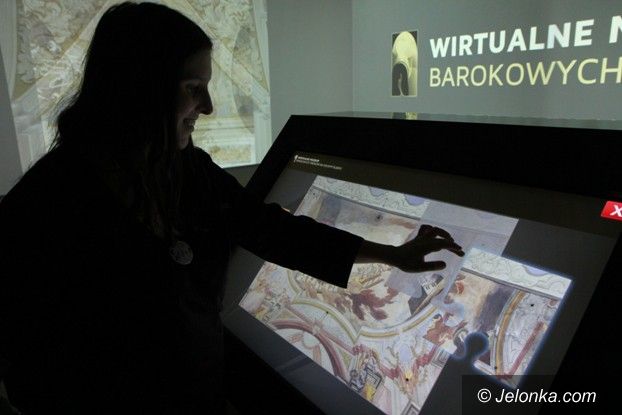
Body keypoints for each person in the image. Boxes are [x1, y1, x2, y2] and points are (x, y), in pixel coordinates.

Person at [0, 2, 463, 414]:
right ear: (140, 88)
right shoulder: (44, 208)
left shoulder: (186, 170)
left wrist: (390, 254)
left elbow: (272, 230)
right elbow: (29, 365)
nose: (208, 106)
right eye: (193, 87)